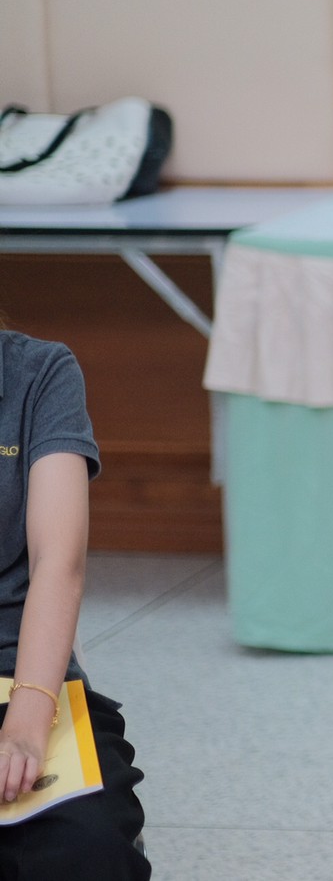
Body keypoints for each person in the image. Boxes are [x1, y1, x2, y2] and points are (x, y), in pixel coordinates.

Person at [0, 324, 149, 879]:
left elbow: (58, 563)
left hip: (24, 683)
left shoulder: (39, 373)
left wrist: (24, 728)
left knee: (87, 850)